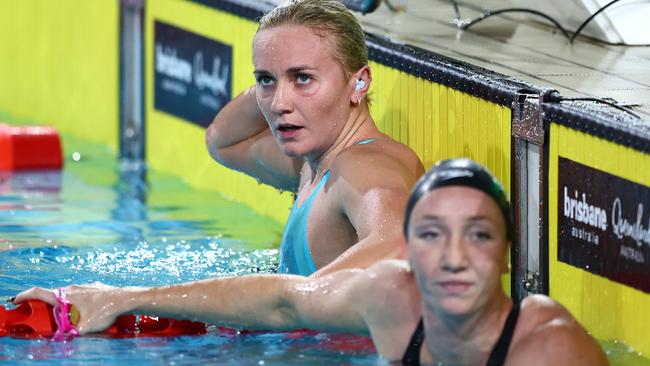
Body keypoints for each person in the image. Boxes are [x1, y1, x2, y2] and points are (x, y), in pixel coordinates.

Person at [14, 159, 607, 365]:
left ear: (507, 257)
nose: (452, 258)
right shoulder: (391, 297)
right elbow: (282, 299)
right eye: (431, 235)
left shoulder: (549, 347)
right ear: (410, 248)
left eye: (477, 236)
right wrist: (117, 298)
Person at [204, 0, 424, 276]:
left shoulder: (363, 168)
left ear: (360, 83)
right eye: (265, 80)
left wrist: (292, 298)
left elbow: (399, 246)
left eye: (304, 78)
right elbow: (222, 142)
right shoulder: (313, 165)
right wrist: (280, 65)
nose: (278, 104)